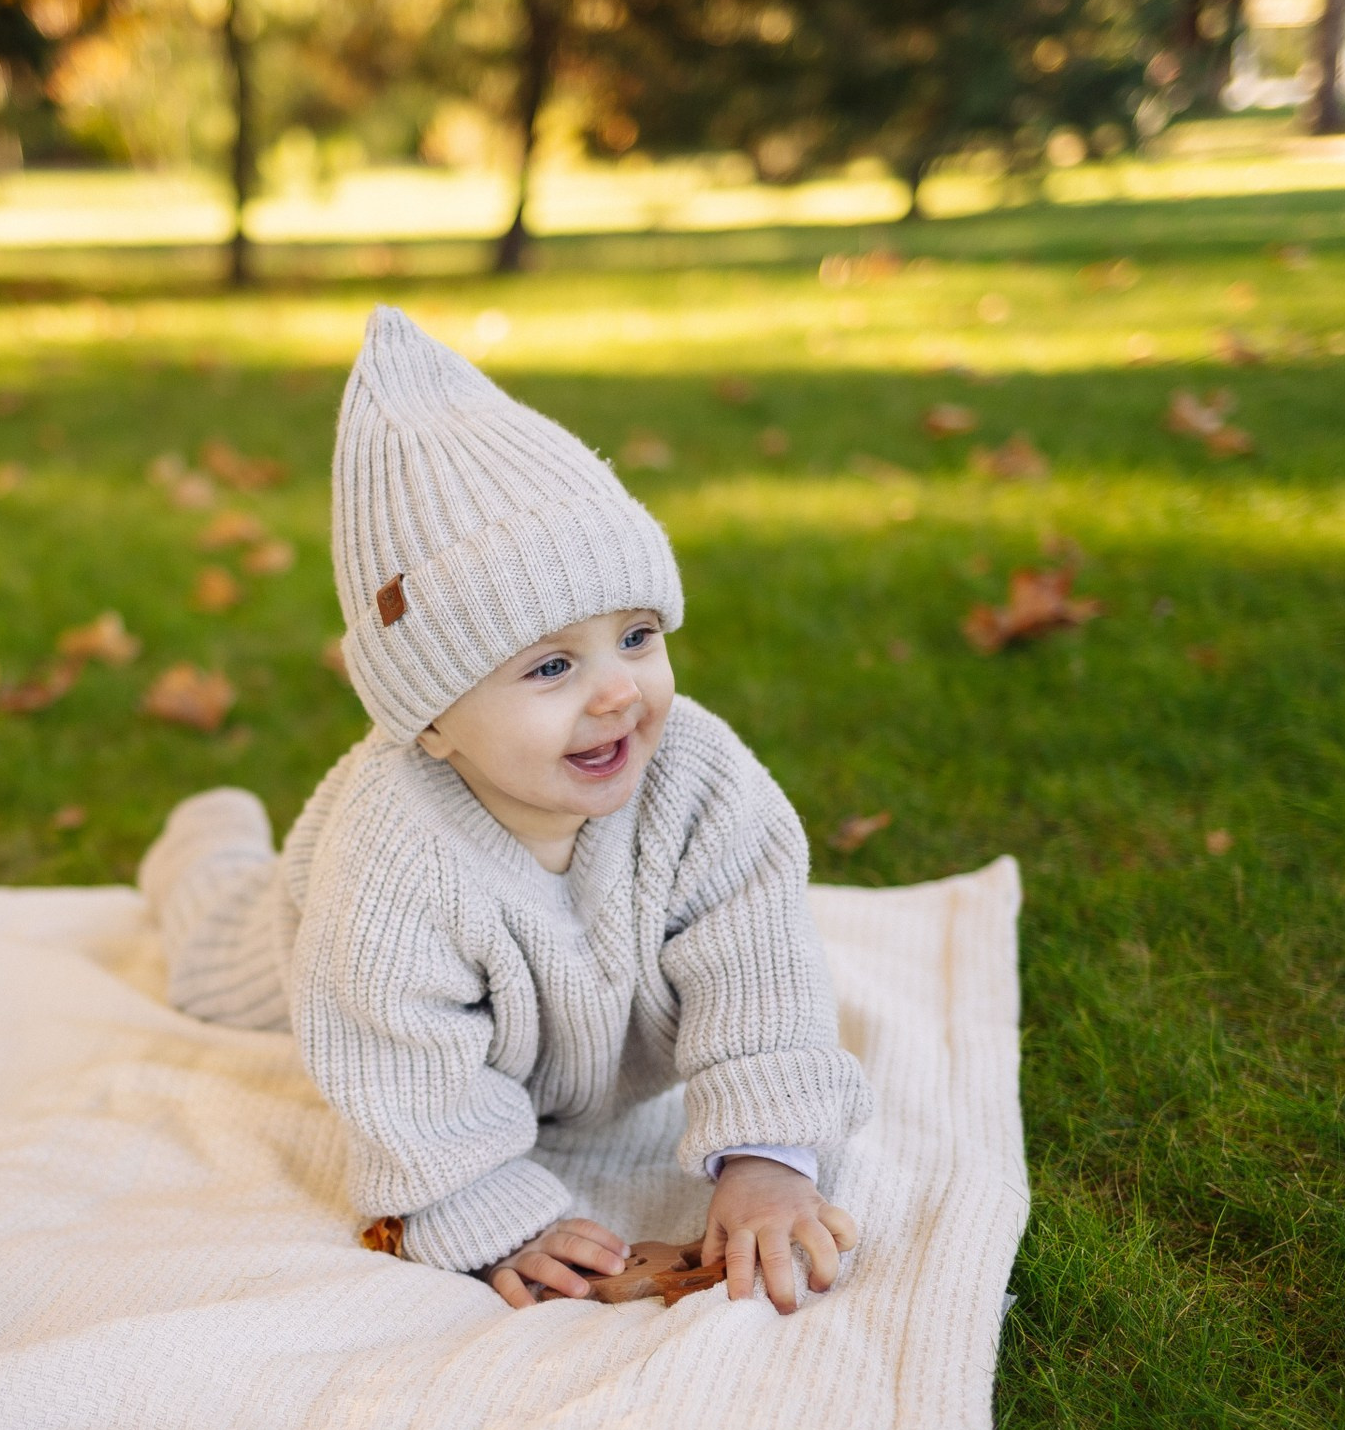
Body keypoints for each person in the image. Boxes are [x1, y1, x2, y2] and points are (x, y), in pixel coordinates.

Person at [138, 306, 871, 1312]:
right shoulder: (391, 858)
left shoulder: (697, 776)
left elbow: (760, 960)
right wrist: (480, 1202)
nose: (618, 691)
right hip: (307, 956)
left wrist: (770, 1156)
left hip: (560, 1037)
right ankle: (204, 838)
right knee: (213, 946)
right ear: (430, 721)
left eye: (637, 635)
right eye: (554, 665)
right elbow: (396, 1059)